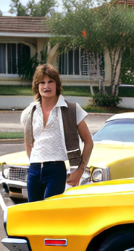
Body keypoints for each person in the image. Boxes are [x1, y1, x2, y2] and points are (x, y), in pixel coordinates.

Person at [19, 64, 95, 204]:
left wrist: (80, 170)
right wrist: (33, 160)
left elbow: (89, 141)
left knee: (50, 211)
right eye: (42, 82)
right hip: (34, 170)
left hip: (56, 170)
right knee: (34, 213)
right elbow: (28, 142)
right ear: (37, 86)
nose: (46, 86)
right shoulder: (30, 111)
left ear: (57, 84)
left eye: (50, 81)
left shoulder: (72, 109)